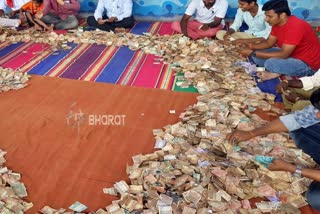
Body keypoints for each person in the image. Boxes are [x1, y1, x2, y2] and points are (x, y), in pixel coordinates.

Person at [227, 88, 320, 210]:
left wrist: (291, 168)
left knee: (315, 198)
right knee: (298, 128)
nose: (317, 114)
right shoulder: (317, 113)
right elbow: (293, 120)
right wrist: (251, 134)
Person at [239, 0, 320, 81]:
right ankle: (278, 70)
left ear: (282, 15)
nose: (266, 19)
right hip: (291, 54)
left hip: (307, 64)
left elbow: (283, 54)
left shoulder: (295, 26)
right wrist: (251, 46)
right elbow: (269, 43)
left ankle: (276, 72)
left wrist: (252, 52)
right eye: (266, 16)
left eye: (270, 16)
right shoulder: (277, 24)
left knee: (270, 63)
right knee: (257, 54)